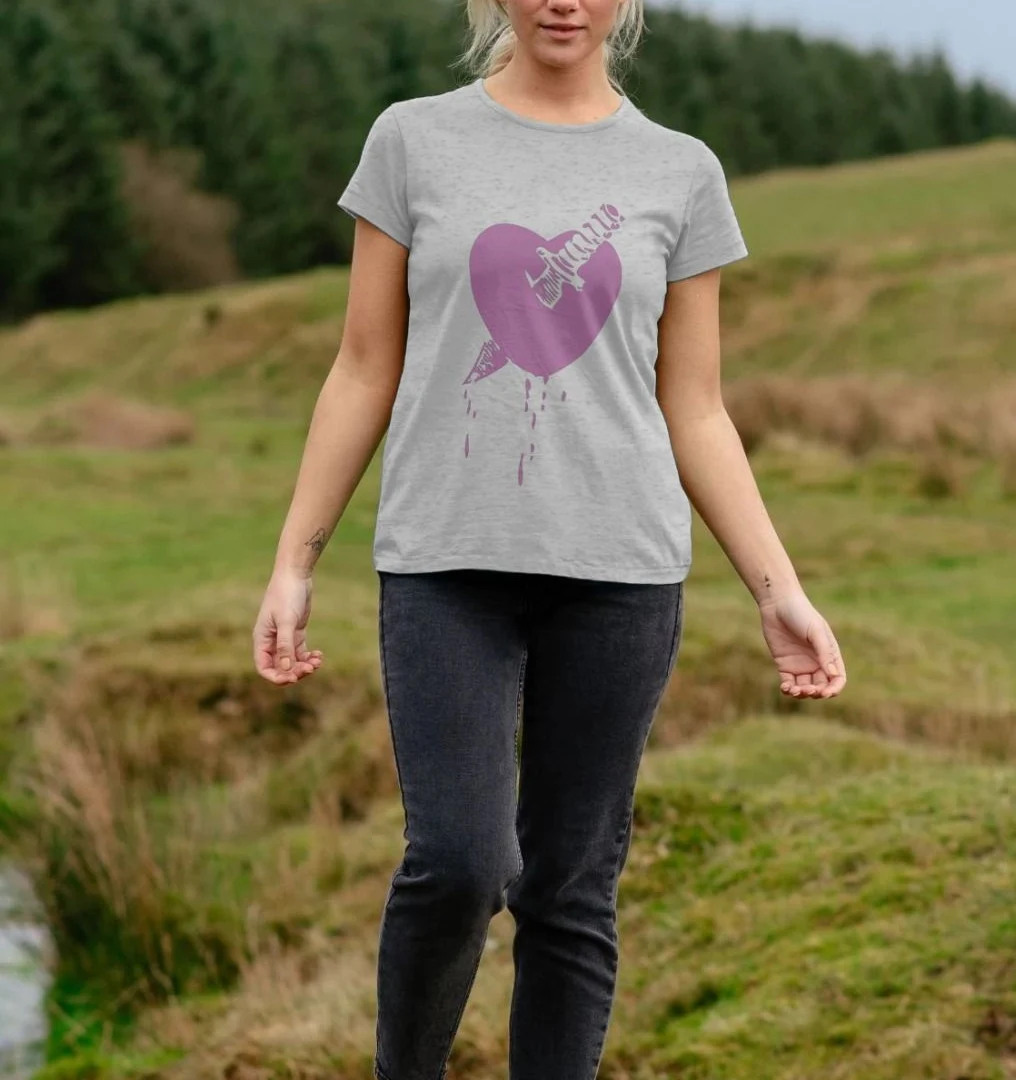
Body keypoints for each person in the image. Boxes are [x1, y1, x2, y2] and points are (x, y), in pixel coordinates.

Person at [252, 1, 848, 1077]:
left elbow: (696, 406)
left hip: (621, 576)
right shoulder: (412, 140)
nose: (562, 1)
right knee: (460, 862)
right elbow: (363, 365)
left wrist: (778, 588)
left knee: (571, 889)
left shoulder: (681, 171)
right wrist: (295, 562)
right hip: (444, 566)